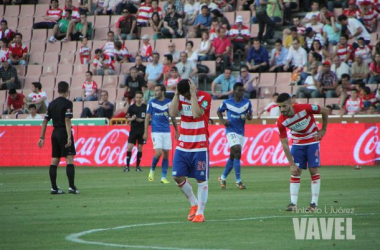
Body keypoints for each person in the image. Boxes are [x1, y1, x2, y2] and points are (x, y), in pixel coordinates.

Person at [276, 93, 329, 212]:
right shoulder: (281, 121)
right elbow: (284, 143)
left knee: (313, 170)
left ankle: (314, 204)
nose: (281, 109)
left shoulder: (305, 108)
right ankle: (293, 204)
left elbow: (325, 110)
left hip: (312, 140)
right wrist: (291, 164)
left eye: (284, 106)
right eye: (279, 107)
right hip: (297, 143)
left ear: (290, 103)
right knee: (295, 172)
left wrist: (323, 129)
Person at [169, 78, 212, 223]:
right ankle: (193, 203)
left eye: (187, 94)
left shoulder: (205, 96)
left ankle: (200, 212)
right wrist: (176, 94)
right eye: (184, 95)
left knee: (201, 179)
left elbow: (196, 114)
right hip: (182, 145)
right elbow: (172, 113)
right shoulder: (180, 96)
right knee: (177, 176)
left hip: (200, 146)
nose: (185, 97)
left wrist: (193, 95)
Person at [38, 81, 79, 195]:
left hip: (54, 133)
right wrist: (69, 137)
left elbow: (45, 121)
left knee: (55, 159)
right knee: (69, 158)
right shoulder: (68, 103)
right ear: (67, 91)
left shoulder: (52, 104)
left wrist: (42, 137)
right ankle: (71, 187)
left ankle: (54, 188)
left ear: (58, 90)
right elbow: (67, 119)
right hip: (63, 132)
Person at [217, 83, 252, 190]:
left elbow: (250, 117)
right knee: (237, 150)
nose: (241, 92)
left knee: (233, 156)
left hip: (240, 132)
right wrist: (223, 121)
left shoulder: (247, 102)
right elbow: (218, 111)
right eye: (239, 90)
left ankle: (222, 177)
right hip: (230, 130)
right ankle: (238, 181)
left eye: (242, 90)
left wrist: (249, 116)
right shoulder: (227, 102)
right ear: (234, 91)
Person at [144, 84, 179, 184]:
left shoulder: (169, 102)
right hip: (156, 131)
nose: (155, 92)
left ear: (163, 92)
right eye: (155, 90)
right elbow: (147, 117)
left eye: (157, 90)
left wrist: (176, 130)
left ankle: (163, 177)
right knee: (158, 152)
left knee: (166, 154)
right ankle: (152, 170)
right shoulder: (152, 102)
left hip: (166, 131)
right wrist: (145, 131)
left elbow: (172, 117)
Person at [124, 91, 147, 172]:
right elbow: (127, 118)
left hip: (142, 130)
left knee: (140, 147)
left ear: (142, 98)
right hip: (133, 130)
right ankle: (127, 166)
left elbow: (148, 118)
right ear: (135, 98)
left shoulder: (145, 107)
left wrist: (142, 120)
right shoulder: (132, 107)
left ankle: (137, 166)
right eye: (137, 97)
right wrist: (132, 119)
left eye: (140, 97)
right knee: (129, 147)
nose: (138, 99)